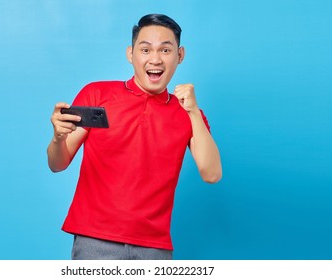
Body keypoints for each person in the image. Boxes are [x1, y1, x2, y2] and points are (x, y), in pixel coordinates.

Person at [47, 14, 222, 260]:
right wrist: (57, 138)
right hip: (95, 240)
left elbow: (212, 173)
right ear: (131, 54)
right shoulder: (97, 94)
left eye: (165, 50)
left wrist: (193, 111)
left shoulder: (189, 113)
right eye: (146, 49)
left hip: (154, 246)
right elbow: (57, 163)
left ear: (179, 56)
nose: (155, 58)